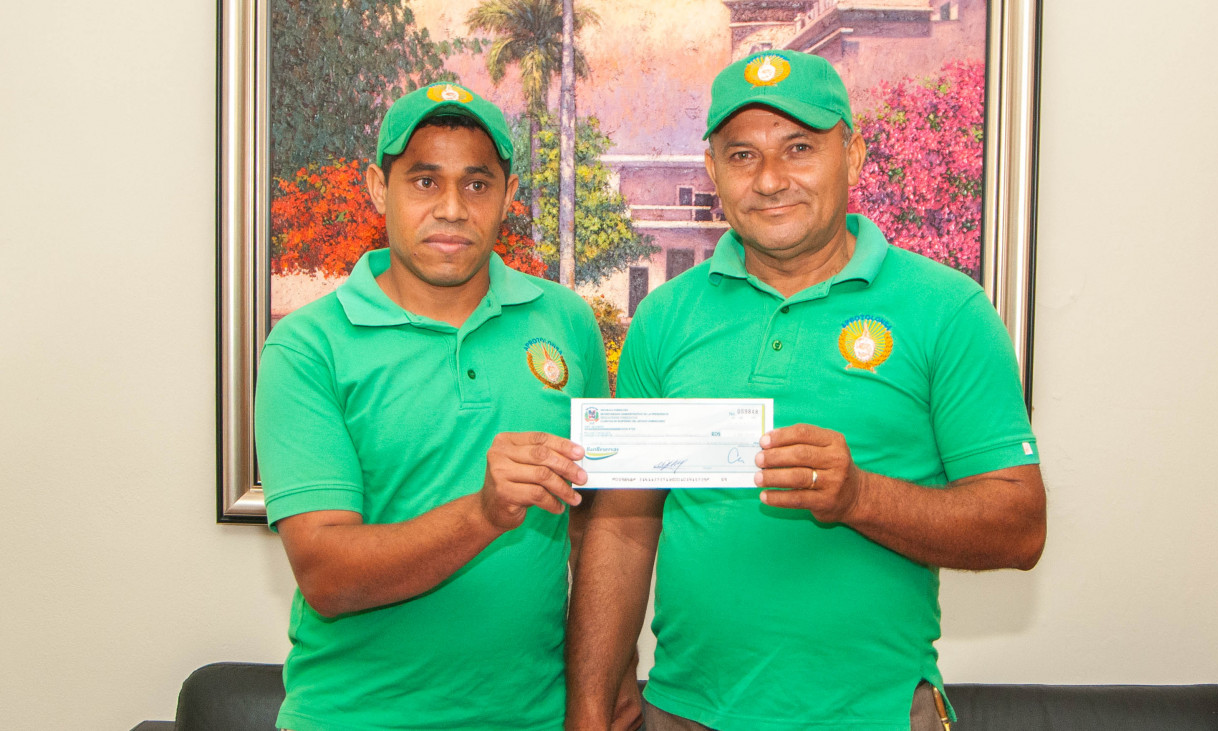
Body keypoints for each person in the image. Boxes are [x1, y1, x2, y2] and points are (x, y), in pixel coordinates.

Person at [565, 50, 1047, 731]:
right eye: (742, 155)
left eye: (799, 148)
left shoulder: (948, 309)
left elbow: (1021, 528)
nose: (770, 180)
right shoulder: (664, 317)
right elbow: (622, 526)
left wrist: (859, 496)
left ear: (852, 156)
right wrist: (589, 705)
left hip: (875, 715)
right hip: (685, 712)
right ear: (713, 172)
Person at [254, 82, 608, 730]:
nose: (451, 208)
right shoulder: (307, 346)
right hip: (353, 718)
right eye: (424, 181)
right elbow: (327, 576)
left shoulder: (565, 320)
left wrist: (597, 689)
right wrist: (483, 512)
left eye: (476, 184)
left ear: (508, 195)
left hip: (531, 717)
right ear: (377, 188)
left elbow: (593, 529)